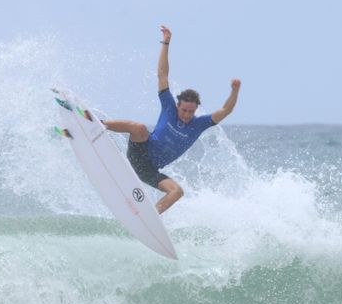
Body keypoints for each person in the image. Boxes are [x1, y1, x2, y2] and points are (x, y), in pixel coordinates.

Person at [102, 25, 241, 214]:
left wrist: (234, 90)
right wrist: (166, 42)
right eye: (184, 110)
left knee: (177, 191)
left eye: (190, 111)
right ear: (178, 106)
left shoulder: (199, 125)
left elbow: (226, 110)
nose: (186, 114)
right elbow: (162, 74)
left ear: (196, 110)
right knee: (139, 127)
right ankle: (98, 125)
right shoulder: (168, 107)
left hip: (150, 169)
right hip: (139, 152)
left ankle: (150, 217)